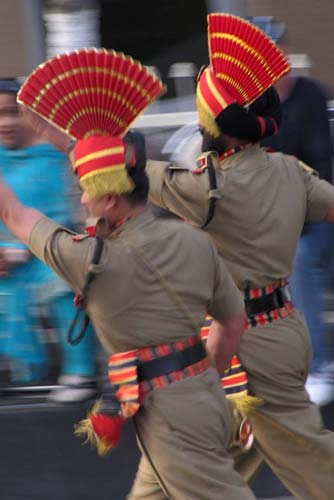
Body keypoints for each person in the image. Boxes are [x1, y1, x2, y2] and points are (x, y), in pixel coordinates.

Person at [0, 48, 257, 500]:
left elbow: (14, 214)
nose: (81, 201)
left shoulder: (91, 260)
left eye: (87, 193)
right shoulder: (195, 240)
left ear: (112, 200)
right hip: (203, 395)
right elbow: (231, 322)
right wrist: (201, 382)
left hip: (168, 417)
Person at [146, 13, 334, 500]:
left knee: (304, 462)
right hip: (287, 329)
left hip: (242, 345)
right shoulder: (290, 172)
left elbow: (133, 177)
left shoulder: (209, 188)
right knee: (210, 455)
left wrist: (90, 146)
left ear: (214, 125)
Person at [0, 78, 97, 401]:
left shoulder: (56, 158)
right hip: (4, 258)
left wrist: (18, 251)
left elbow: (67, 217)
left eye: (13, 113)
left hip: (50, 251)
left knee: (61, 281)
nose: (5, 123)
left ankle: (80, 373)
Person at [262, 47, 334, 407]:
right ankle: (303, 365)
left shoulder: (310, 95)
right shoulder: (253, 107)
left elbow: (322, 163)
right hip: (276, 217)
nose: (280, 73)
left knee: (302, 257)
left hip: (318, 208)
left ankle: (320, 366)